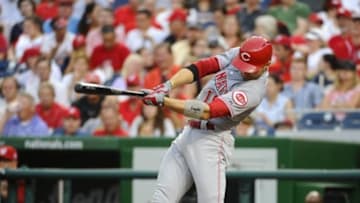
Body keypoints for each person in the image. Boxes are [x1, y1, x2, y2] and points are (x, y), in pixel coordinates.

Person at [142, 36, 272, 202]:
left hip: (211, 141)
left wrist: (164, 102)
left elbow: (207, 112)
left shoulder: (254, 91)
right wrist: (168, 85)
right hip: (188, 133)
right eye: (243, 65)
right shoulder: (240, 54)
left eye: (250, 69)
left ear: (267, 65)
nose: (244, 71)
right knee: (160, 199)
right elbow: (201, 67)